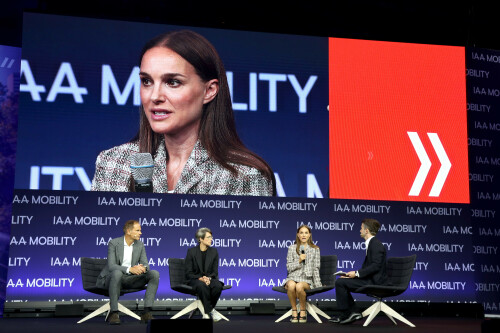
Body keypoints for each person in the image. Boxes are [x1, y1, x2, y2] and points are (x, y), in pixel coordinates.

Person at [91, 30, 274, 196]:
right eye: (146, 81)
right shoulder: (113, 164)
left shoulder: (245, 176)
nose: (154, 96)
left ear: (209, 90)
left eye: (173, 82)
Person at [96, 220, 160, 325]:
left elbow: (146, 264)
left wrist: (142, 268)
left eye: (140, 230)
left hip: (129, 279)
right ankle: (114, 312)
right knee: (117, 273)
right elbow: (112, 266)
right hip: (110, 279)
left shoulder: (140, 245)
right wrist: (129, 269)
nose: (141, 233)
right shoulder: (114, 243)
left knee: (154, 274)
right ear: (128, 231)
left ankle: (146, 312)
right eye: (138, 230)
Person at [330, 218, 388, 325]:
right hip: (370, 279)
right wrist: (351, 276)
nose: (359, 230)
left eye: (361, 228)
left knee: (340, 283)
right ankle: (351, 313)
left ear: (366, 231)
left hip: (375, 282)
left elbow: (375, 266)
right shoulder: (372, 244)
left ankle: (349, 313)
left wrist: (356, 274)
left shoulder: (376, 245)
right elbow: (370, 267)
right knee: (342, 281)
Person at [282, 224, 321, 323]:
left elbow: (316, 268)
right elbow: (289, 267)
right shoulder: (292, 248)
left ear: (309, 235)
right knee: (291, 285)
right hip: (293, 276)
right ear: (298, 235)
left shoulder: (315, 249)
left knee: (299, 286)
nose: (304, 235)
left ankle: (303, 311)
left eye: (306, 233)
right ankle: (294, 310)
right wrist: (299, 260)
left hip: (306, 279)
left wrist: (318, 285)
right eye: (301, 233)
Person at [184, 227, 224, 321]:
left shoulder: (214, 252)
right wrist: (200, 278)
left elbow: (215, 272)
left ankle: (207, 310)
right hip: (195, 280)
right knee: (202, 286)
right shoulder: (191, 252)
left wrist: (208, 278)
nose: (211, 239)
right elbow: (188, 272)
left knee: (218, 286)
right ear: (200, 239)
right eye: (209, 237)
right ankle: (209, 312)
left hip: (209, 279)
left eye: (211, 237)